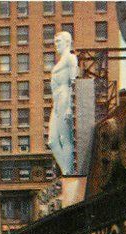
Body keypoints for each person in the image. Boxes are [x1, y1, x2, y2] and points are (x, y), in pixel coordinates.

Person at [48, 31, 79, 175]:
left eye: (58, 41)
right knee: (52, 141)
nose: (56, 45)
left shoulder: (71, 59)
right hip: (56, 102)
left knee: (65, 138)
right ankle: (66, 171)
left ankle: (69, 173)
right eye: (55, 42)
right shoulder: (60, 62)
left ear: (67, 42)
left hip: (65, 98)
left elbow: (73, 83)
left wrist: (69, 107)